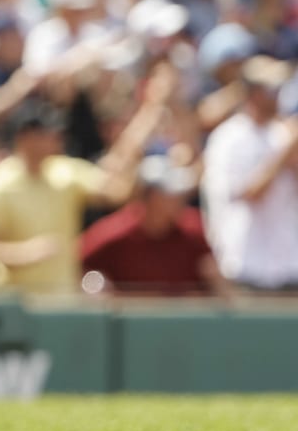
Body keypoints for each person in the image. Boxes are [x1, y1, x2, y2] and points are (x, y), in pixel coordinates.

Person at [0, 77, 167, 297]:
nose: (56, 139)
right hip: (13, 306)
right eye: (46, 134)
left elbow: (116, 192)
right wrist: (25, 253)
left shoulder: (65, 172)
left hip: (61, 304)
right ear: (26, 138)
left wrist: (137, 138)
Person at [201, 56, 298, 292]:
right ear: (253, 92)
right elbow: (249, 194)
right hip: (245, 266)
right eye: (271, 89)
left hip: (288, 266)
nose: (278, 96)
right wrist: (286, 152)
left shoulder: (282, 133)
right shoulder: (228, 139)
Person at [81, 157, 219, 296]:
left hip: (181, 317)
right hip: (128, 316)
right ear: (150, 196)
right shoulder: (115, 231)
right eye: (171, 194)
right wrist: (99, 290)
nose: (180, 199)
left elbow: (213, 278)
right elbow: (81, 266)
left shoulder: (193, 228)